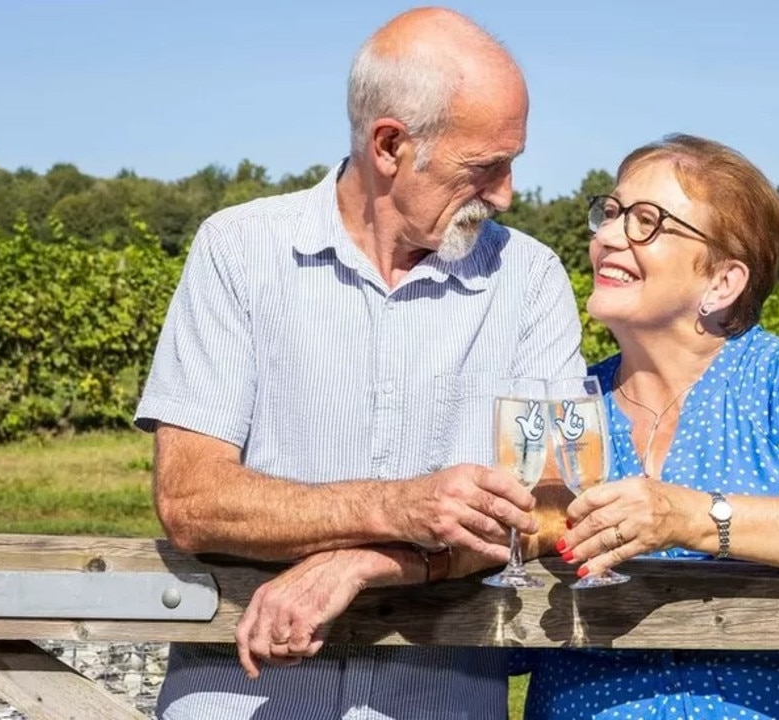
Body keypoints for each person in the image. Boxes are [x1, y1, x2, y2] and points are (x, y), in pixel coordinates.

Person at [132, 7, 585, 719]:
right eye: (484, 166)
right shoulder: (237, 251)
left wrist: (369, 561)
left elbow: (554, 505)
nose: (506, 193)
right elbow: (191, 499)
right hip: (241, 697)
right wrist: (400, 507)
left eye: (511, 163)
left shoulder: (532, 278)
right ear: (389, 145)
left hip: (440, 701)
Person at [519, 134, 779, 719]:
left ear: (721, 282)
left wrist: (690, 516)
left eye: (646, 221)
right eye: (610, 213)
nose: (608, 236)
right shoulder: (569, 401)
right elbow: (515, 610)